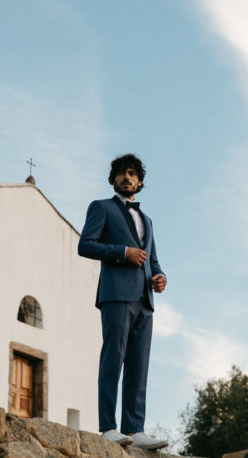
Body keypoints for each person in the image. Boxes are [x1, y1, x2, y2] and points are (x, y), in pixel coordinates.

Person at [78, 153, 169, 450]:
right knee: (113, 359)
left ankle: (135, 429)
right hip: (116, 295)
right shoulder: (101, 208)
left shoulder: (148, 220)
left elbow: (153, 261)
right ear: (114, 179)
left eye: (132, 173)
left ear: (140, 181)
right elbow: (86, 245)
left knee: (139, 366)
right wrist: (122, 252)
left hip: (145, 300)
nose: (127, 177)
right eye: (121, 173)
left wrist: (160, 277)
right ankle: (107, 427)